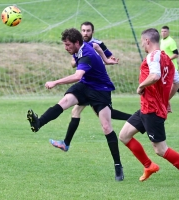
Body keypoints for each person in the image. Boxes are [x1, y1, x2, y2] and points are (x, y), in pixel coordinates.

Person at [27, 28, 124, 181]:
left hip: (101, 90)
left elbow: (78, 76)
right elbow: (97, 46)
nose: (66, 48)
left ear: (77, 43)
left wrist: (55, 82)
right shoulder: (82, 46)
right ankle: (39, 123)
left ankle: (118, 165)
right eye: (65, 45)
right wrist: (106, 60)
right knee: (64, 102)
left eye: (68, 45)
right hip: (85, 86)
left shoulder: (86, 55)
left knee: (106, 127)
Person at [118, 28, 179, 188]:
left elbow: (155, 75)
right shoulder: (166, 58)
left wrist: (141, 86)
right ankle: (149, 166)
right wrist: (165, 99)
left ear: (147, 41)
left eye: (143, 41)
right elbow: (177, 82)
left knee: (161, 149)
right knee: (124, 136)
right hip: (146, 108)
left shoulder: (152, 56)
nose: (142, 44)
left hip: (153, 111)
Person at [50, 21, 131, 152]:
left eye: (88, 31)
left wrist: (107, 60)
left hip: (98, 86)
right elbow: (73, 63)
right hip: (86, 85)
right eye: (83, 30)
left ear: (92, 32)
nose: (85, 33)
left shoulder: (97, 43)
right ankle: (66, 143)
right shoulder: (79, 45)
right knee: (76, 111)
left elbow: (107, 54)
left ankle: (135, 119)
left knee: (104, 117)